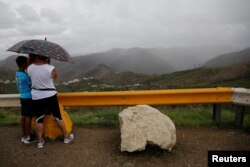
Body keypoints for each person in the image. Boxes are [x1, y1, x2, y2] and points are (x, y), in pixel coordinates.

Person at [27, 54, 74, 149]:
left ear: (36, 57)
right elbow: (55, 77)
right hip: (50, 95)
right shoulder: (51, 68)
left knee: (39, 119)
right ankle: (66, 137)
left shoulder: (30, 67)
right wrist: (48, 65)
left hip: (37, 96)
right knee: (57, 116)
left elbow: (31, 77)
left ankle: (40, 142)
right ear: (47, 57)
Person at [15, 56, 35, 144]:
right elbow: (31, 86)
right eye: (27, 62)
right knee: (28, 117)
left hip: (22, 96)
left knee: (23, 116)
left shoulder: (18, 73)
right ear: (23, 64)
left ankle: (24, 134)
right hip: (28, 97)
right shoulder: (24, 76)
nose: (28, 63)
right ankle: (27, 136)